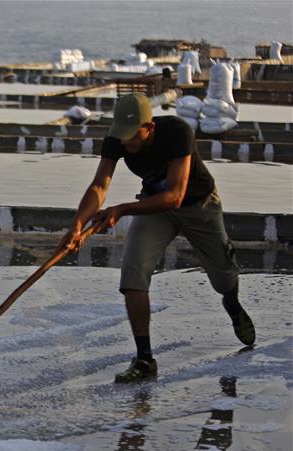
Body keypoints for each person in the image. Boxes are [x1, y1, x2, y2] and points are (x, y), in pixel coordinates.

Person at [60, 94, 255, 383]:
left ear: (149, 127)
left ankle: (232, 304)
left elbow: (176, 195)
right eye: (122, 137)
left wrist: (123, 209)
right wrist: (77, 224)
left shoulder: (177, 132)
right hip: (153, 207)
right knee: (133, 275)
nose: (127, 144)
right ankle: (144, 358)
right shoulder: (116, 138)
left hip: (198, 205)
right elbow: (100, 185)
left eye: (133, 137)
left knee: (224, 277)